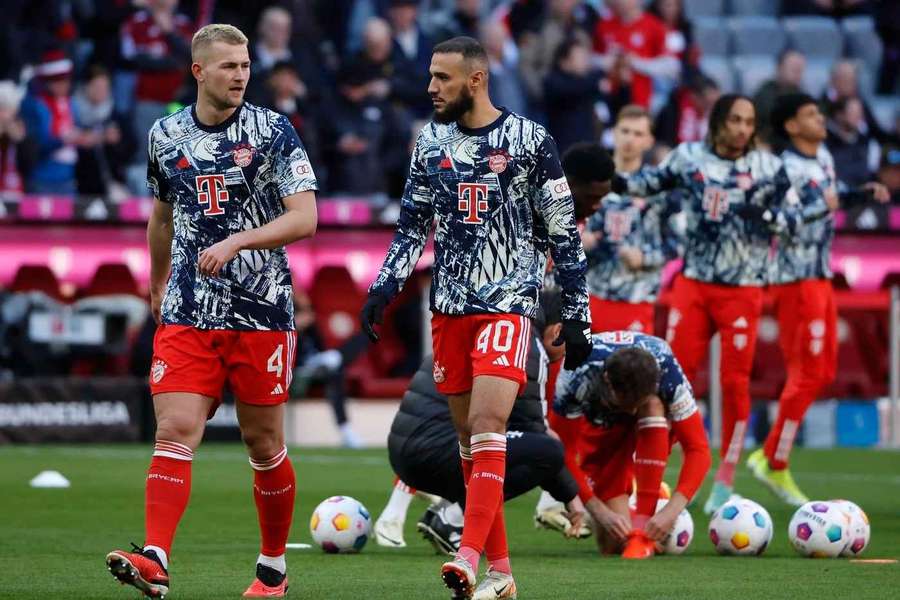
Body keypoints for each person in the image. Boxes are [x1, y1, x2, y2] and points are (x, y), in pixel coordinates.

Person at [360, 36, 591, 600]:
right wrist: (383, 287)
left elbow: (564, 234)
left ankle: (467, 553)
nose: (431, 87)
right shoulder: (429, 144)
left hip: (509, 305)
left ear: (476, 80)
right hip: (449, 312)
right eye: (431, 77)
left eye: (442, 78)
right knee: (470, 443)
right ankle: (502, 573)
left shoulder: (531, 142)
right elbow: (411, 228)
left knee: (488, 427)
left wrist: (579, 315)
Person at [104, 24, 319, 599]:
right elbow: (161, 215)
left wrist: (238, 242)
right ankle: (154, 558)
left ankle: (272, 568)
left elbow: (305, 218)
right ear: (199, 71)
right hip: (188, 311)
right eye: (228, 66)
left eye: (246, 65)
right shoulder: (166, 134)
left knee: (263, 443)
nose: (241, 75)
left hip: (262, 312)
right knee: (174, 430)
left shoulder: (274, 132)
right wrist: (156, 284)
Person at [612, 94, 808, 515]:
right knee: (668, 377)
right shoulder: (688, 158)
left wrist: (767, 218)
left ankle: (724, 478)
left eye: (749, 122)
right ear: (718, 122)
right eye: (735, 120)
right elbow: (645, 184)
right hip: (695, 284)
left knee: (735, 384)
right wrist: (594, 176)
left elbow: (796, 218)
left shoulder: (769, 169)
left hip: (743, 288)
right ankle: (652, 474)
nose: (742, 129)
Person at [749, 93, 889, 505]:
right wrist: (823, 205)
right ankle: (774, 459)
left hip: (821, 277)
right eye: (811, 114)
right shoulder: (783, 169)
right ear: (792, 125)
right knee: (806, 372)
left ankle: (770, 452)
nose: (820, 118)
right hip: (794, 280)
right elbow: (776, 222)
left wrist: (857, 193)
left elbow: (833, 194)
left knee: (824, 371)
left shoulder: (823, 157)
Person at [376, 290, 588, 552]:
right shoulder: (527, 344)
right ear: (558, 331)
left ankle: (446, 514)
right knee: (548, 450)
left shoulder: (480, 316)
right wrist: (571, 498)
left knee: (507, 440)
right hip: (439, 452)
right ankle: (452, 518)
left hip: (402, 455)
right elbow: (537, 436)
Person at [553, 330, 711, 557]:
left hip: (654, 423)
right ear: (607, 381)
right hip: (602, 424)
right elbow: (561, 452)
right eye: (628, 403)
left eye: (639, 402)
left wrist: (672, 511)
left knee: (653, 406)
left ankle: (644, 518)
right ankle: (626, 502)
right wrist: (598, 511)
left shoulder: (665, 367)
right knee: (613, 545)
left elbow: (698, 449)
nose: (633, 411)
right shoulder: (576, 372)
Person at [582, 104, 682, 334]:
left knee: (629, 368)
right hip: (589, 293)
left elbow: (677, 244)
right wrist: (578, 236)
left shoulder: (658, 189)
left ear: (649, 141)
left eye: (638, 134)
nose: (629, 139)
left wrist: (645, 257)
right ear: (614, 133)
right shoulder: (588, 180)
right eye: (625, 131)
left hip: (636, 297)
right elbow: (557, 226)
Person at [592, 0, 680, 110]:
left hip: (639, 102)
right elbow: (588, 59)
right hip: (607, 98)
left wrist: (636, 63)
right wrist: (606, 61)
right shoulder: (603, 26)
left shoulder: (654, 26)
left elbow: (671, 66)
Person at [753, 50, 807, 146]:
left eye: (800, 69)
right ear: (779, 68)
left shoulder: (803, 95)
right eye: (794, 68)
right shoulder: (764, 94)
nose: (798, 73)